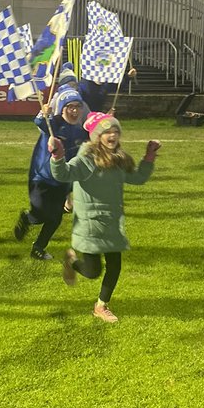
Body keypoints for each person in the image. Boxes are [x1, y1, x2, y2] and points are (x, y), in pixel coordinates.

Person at [51, 112, 161, 323]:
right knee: (92, 272)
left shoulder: (119, 160)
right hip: (89, 224)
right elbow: (63, 174)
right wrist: (57, 157)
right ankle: (72, 260)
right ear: (96, 136)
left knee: (115, 265)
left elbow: (137, 178)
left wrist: (149, 157)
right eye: (107, 132)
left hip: (112, 221)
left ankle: (101, 306)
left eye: (116, 132)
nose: (112, 136)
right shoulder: (85, 160)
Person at [14, 90, 87, 260]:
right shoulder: (53, 124)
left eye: (78, 107)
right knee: (40, 213)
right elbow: (40, 121)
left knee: (55, 218)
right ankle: (27, 218)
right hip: (41, 178)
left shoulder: (81, 131)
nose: (74, 111)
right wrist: (43, 113)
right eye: (70, 107)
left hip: (62, 180)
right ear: (62, 109)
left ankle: (38, 248)